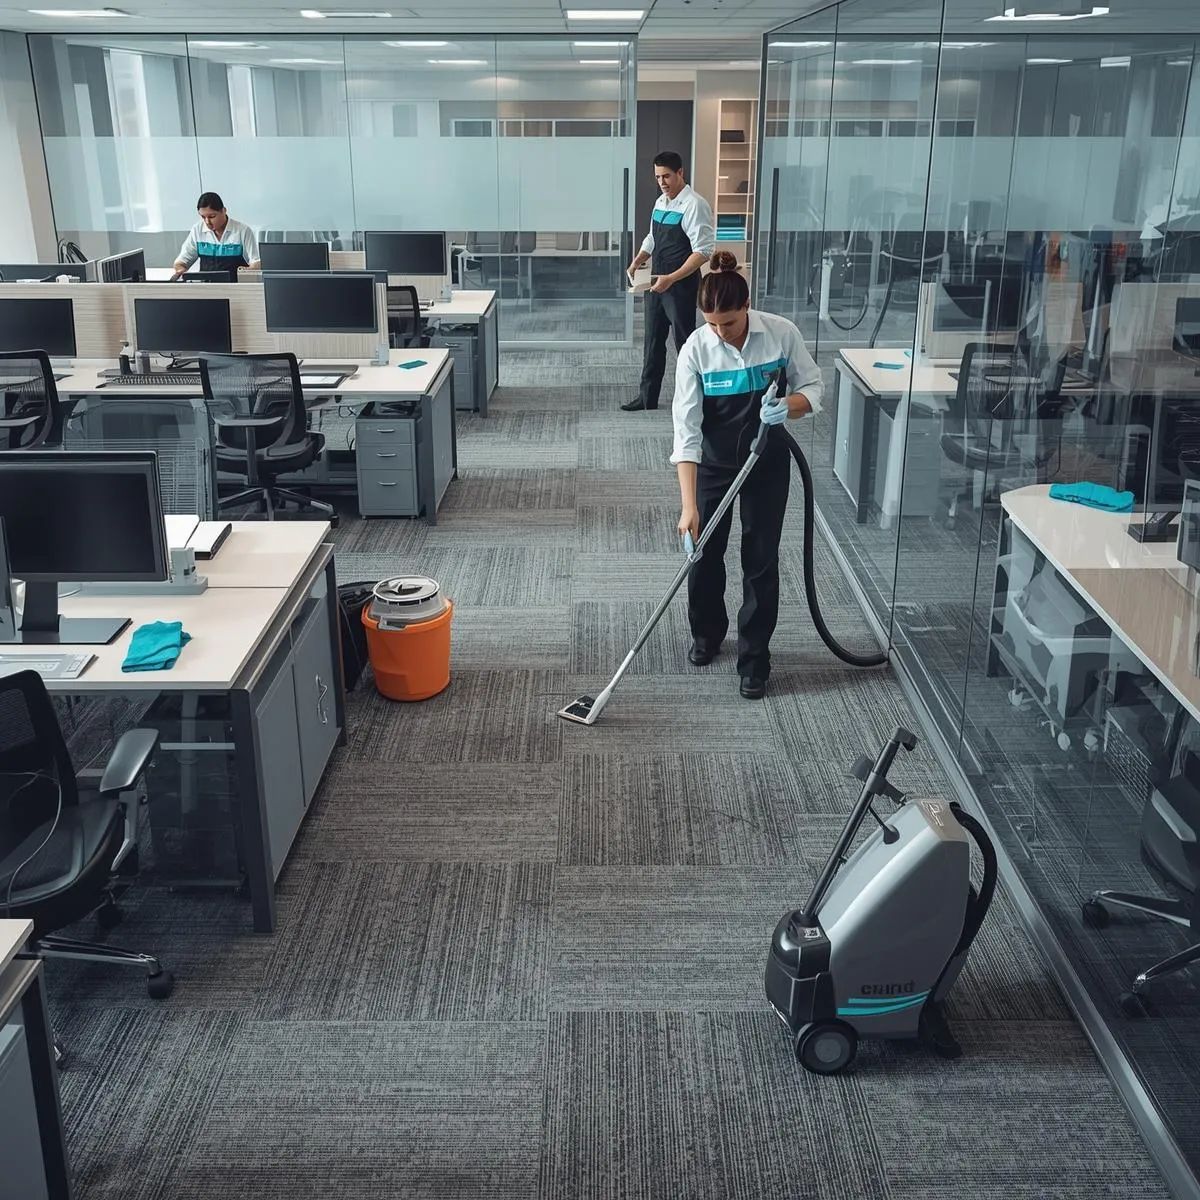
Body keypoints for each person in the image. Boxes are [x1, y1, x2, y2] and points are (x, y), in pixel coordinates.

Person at [671, 251, 823, 700]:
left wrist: (789, 407)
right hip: (714, 464)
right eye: (713, 323)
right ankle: (707, 633)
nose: (721, 332)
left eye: (730, 323)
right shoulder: (696, 349)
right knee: (702, 550)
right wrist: (688, 506)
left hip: (767, 462)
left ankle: (755, 658)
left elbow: (814, 387)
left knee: (760, 559)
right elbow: (686, 431)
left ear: (747, 306)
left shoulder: (781, 335)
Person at [621, 151, 715, 412]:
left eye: (666, 176)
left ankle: (694, 401)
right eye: (658, 177)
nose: (662, 182)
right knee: (652, 341)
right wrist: (638, 259)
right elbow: (652, 238)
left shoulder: (695, 205)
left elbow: (703, 251)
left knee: (685, 344)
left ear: (680, 173)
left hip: (681, 285)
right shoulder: (661, 201)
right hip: (656, 282)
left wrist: (672, 278)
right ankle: (647, 397)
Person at [171, 192, 260, 279]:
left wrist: (246, 271)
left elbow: (256, 262)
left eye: (212, 216)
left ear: (224, 211)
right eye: (203, 217)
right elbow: (181, 261)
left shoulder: (242, 231)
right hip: (207, 288)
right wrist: (180, 270)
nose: (207, 222)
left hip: (235, 288)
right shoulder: (197, 230)